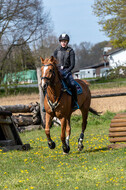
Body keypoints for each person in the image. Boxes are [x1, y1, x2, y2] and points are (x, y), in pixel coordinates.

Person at [54, 33, 79, 109]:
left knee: (72, 85)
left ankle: (74, 102)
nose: (63, 43)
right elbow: (54, 62)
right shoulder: (56, 51)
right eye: (62, 41)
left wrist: (66, 72)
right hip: (58, 71)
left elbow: (72, 65)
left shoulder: (70, 51)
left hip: (67, 71)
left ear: (67, 42)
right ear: (60, 42)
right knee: (48, 85)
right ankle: (46, 105)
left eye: (65, 41)